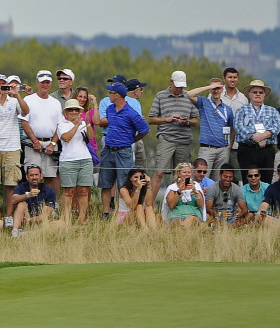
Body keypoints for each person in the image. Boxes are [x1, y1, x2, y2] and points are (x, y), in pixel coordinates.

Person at [98, 82, 150, 214]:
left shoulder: (131, 113)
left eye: (111, 93)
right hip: (108, 150)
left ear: (117, 95)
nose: (109, 95)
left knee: (125, 184)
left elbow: (145, 129)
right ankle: (105, 213)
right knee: (106, 183)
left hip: (124, 151)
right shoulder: (110, 109)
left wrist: (133, 140)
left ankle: (125, 213)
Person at [149, 71, 200, 190]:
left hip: (184, 139)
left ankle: (181, 203)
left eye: (181, 87)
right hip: (166, 137)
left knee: (183, 175)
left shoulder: (189, 96)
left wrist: (186, 121)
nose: (179, 89)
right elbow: (151, 119)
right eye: (177, 86)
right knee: (159, 172)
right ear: (171, 82)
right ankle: (150, 205)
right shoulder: (160, 96)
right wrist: (167, 119)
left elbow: (195, 121)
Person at [0, 75, 27, 206]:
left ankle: (8, 215)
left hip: (12, 146)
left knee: (11, 183)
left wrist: (17, 95)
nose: (1, 87)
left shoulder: (14, 101)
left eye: (3, 84)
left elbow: (26, 111)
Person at [21, 71, 65, 195]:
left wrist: (53, 143)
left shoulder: (55, 102)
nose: (45, 85)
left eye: (47, 82)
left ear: (51, 83)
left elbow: (59, 125)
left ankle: (49, 204)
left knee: (50, 176)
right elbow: (24, 122)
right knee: (32, 176)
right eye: (42, 82)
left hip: (50, 143)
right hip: (32, 143)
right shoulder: (29, 99)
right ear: (37, 83)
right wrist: (35, 141)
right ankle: (32, 204)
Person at [234, 80, 280, 185]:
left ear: (264, 95)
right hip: (247, 150)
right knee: (248, 181)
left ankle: (265, 201)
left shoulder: (272, 111)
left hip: (266, 151)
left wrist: (263, 136)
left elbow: (277, 127)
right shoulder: (241, 110)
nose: (258, 94)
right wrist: (254, 137)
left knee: (266, 181)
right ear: (249, 95)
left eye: (261, 92)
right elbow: (238, 127)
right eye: (255, 92)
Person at [57, 98, 97, 224]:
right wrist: (76, 125)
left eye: (76, 110)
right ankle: (66, 218)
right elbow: (66, 138)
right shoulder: (62, 124)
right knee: (68, 191)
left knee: (84, 191)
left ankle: (82, 218)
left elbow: (90, 137)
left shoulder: (83, 124)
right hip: (68, 160)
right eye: (71, 110)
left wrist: (87, 123)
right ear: (66, 112)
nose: (74, 112)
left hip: (85, 159)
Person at [195, 77, 236, 182]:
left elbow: (233, 128)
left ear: (222, 89)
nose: (216, 90)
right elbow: (189, 94)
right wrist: (208, 87)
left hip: (222, 150)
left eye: (218, 88)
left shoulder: (228, 109)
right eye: (213, 88)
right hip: (206, 148)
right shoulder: (203, 103)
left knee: (218, 181)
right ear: (209, 90)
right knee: (201, 178)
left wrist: (230, 145)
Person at [9, 164, 59, 233]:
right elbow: (13, 200)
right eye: (31, 175)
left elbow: (45, 215)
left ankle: (31, 233)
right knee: (21, 204)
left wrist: (29, 220)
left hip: (39, 220)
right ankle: (15, 231)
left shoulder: (49, 191)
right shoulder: (21, 187)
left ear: (41, 176)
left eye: (36, 175)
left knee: (61, 224)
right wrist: (28, 195)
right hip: (24, 219)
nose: (34, 177)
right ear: (27, 177)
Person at [162, 162, 206, 228]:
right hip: (176, 215)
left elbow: (201, 204)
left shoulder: (196, 186)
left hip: (193, 214)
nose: (187, 174)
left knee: (191, 219)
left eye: (189, 172)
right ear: (179, 174)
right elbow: (171, 205)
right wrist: (179, 191)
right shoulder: (172, 188)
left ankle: (182, 227)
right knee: (176, 222)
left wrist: (195, 191)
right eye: (184, 172)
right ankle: (182, 228)